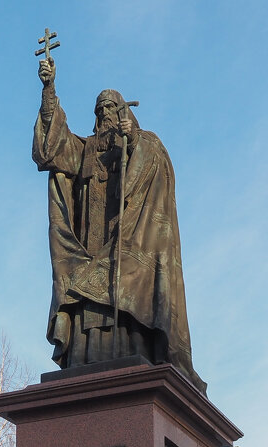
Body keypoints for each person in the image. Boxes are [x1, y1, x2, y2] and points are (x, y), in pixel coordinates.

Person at [33, 55, 205, 392]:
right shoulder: (86, 151)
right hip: (89, 247)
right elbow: (52, 150)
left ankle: (132, 348)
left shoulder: (144, 143)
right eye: (99, 112)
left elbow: (156, 166)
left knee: (126, 294)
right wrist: (49, 91)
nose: (103, 117)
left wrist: (134, 142)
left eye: (110, 109)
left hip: (129, 247)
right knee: (87, 291)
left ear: (124, 112)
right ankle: (86, 357)